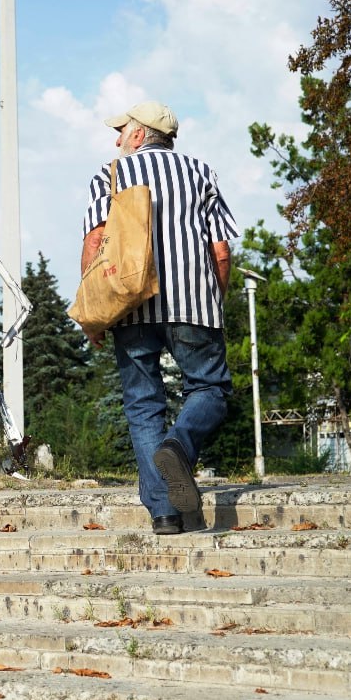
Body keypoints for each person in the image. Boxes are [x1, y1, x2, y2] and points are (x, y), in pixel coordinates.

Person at [79, 101, 238, 535]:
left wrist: (94, 313)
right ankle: (179, 445)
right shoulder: (201, 172)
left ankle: (165, 514)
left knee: (143, 405)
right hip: (193, 303)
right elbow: (220, 251)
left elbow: (96, 243)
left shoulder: (111, 174)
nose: (116, 140)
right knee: (211, 389)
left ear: (138, 135)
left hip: (131, 306)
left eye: (121, 131)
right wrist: (213, 301)